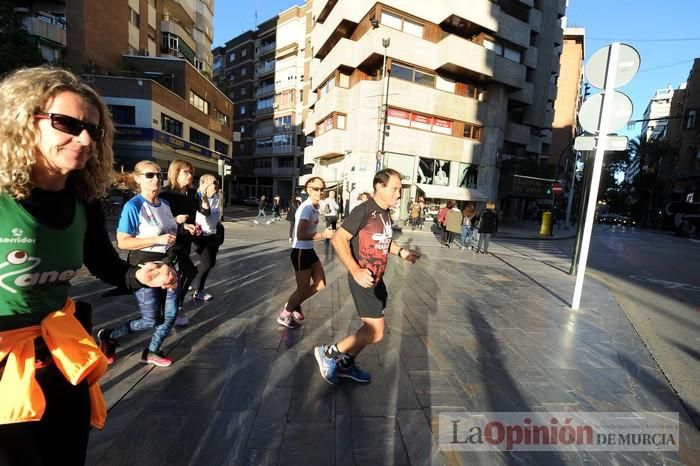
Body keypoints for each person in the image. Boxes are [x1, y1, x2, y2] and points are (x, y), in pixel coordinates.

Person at [0, 66, 176, 466]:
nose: (83, 139)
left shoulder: (84, 200)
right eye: (66, 123)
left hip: (60, 358)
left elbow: (102, 262)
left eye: (93, 131)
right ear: (24, 122)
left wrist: (137, 275)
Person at [315, 169, 421, 385]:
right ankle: (329, 353)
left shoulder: (384, 213)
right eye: (395, 189)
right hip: (362, 278)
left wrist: (402, 252)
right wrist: (355, 270)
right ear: (379, 186)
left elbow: (383, 240)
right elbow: (338, 239)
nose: (398, 195)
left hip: (377, 280)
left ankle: (346, 364)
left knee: (369, 329)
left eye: (399, 190)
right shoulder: (363, 211)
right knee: (376, 332)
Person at [97, 160, 182, 368]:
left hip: (168, 266)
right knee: (150, 319)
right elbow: (123, 241)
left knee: (171, 314)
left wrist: (180, 231)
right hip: (145, 269)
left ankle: (151, 351)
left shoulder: (165, 204)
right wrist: (156, 240)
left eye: (159, 175)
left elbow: (171, 236)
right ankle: (109, 335)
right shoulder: (133, 206)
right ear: (137, 179)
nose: (156, 179)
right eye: (149, 175)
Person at [277, 177, 334, 328]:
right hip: (301, 251)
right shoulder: (307, 208)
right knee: (302, 288)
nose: (320, 192)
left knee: (320, 284)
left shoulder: (314, 207)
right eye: (316, 189)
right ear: (308, 190)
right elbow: (300, 234)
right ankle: (285, 314)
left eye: (322, 189)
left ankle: (294, 303)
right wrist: (324, 235)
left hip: (309, 250)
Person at [159, 160, 199, 326]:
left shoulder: (192, 194)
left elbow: (194, 217)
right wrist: (176, 221)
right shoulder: (165, 194)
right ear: (175, 173)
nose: (190, 176)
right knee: (189, 271)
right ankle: (175, 307)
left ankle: (172, 306)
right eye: (185, 172)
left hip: (185, 240)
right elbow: (159, 222)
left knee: (180, 275)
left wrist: (194, 228)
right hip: (169, 242)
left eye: (190, 172)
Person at [192, 174, 223, 301]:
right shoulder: (197, 197)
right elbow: (206, 213)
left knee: (211, 264)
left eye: (216, 182)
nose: (216, 185)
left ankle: (189, 273)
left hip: (213, 235)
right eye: (213, 182)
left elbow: (215, 216)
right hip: (201, 236)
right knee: (207, 264)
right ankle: (198, 291)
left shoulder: (216, 196)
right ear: (203, 183)